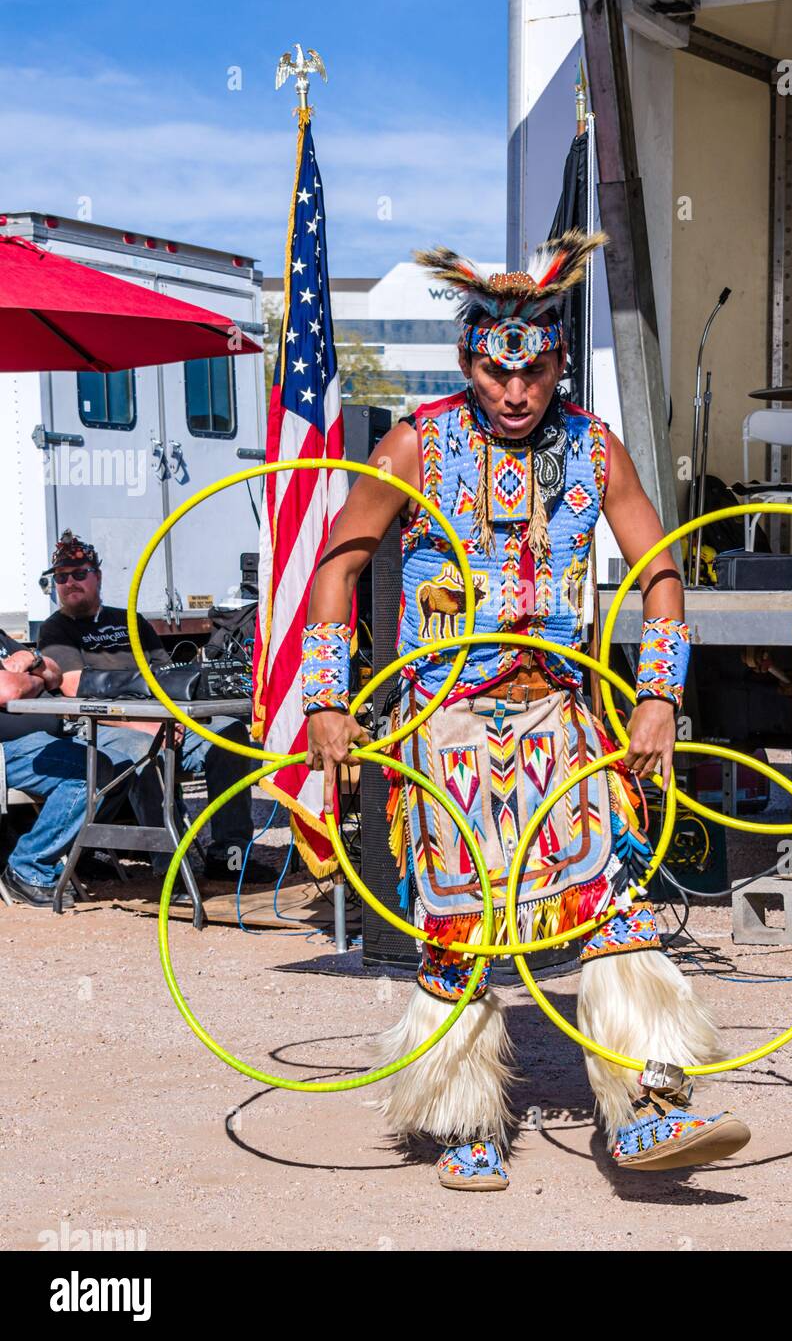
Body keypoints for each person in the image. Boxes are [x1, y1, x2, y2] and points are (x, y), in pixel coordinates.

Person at [302, 230, 751, 1190]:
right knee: (462, 920)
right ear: (469, 360)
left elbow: (661, 578)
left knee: (614, 907)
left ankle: (646, 1109)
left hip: (561, 719)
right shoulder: (417, 444)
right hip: (445, 726)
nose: (515, 391)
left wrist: (660, 697)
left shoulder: (595, 448)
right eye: (497, 371)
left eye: (535, 371)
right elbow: (340, 563)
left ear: (554, 364)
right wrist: (329, 701)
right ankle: (465, 1118)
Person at [35, 532, 272, 884]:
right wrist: (141, 724)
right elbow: (72, 690)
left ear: (97, 576)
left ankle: (230, 854)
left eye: (79, 573)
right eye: (61, 577)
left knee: (227, 731)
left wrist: (175, 717)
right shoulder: (56, 629)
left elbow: (167, 677)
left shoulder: (129, 620)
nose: (69, 582)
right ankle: (170, 866)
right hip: (99, 727)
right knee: (145, 750)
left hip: (160, 718)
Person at [0, 628, 113, 909]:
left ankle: (79, 857)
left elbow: (55, 674)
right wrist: (35, 682)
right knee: (92, 770)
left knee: (123, 761)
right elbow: (8, 691)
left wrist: (31, 659)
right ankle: (28, 867)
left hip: (51, 739)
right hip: (6, 751)